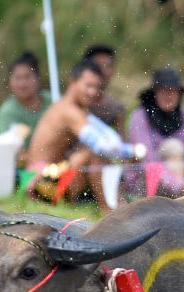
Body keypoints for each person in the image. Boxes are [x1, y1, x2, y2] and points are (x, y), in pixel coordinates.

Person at [24, 60, 143, 212]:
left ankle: (120, 203)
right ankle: (112, 210)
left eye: (97, 87)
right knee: (92, 152)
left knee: (87, 152)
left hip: (47, 180)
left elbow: (110, 140)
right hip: (39, 186)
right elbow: (101, 146)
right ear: (73, 82)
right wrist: (134, 151)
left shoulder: (73, 109)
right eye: (88, 86)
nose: (93, 92)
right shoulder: (69, 111)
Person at [127, 67, 184, 198]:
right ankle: (180, 200)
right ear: (154, 93)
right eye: (164, 91)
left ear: (179, 94)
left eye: (173, 91)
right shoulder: (140, 117)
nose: (169, 95)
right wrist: (180, 185)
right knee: (174, 147)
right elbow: (148, 160)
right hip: (147, 182)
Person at [0, 51, 50, 161]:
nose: (22, 83)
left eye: (27, 77)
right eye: (17, 78)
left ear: (37, 78)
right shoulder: (8, 112)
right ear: (10, 81)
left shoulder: (52, 102)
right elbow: (10, 151)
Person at [82, 44, 126, 132]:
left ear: (113, 71)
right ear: (86, 69)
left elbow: (121, 140)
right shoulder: (74, 102)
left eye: (107, 66)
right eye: (98, 66)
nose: (103, 71)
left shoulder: (115, 106)